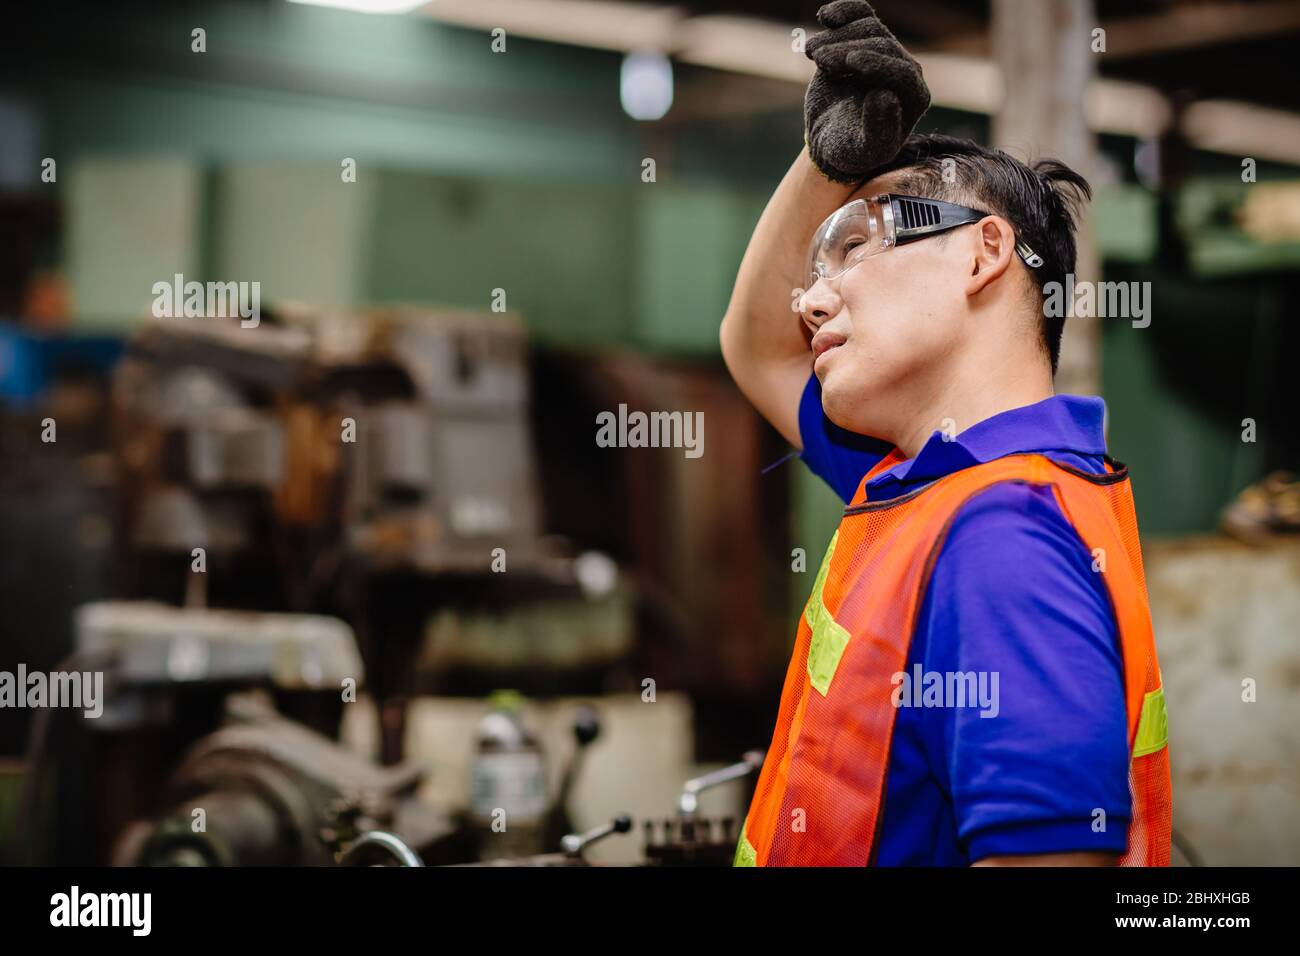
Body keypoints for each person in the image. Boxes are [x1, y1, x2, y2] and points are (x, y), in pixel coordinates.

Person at [721, 2, 1170, 866]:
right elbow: (756, 345)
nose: (812, 300)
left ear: (980, 255)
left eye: (856, 249)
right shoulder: (917, 484)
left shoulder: (1003, 537)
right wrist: (827, 167)